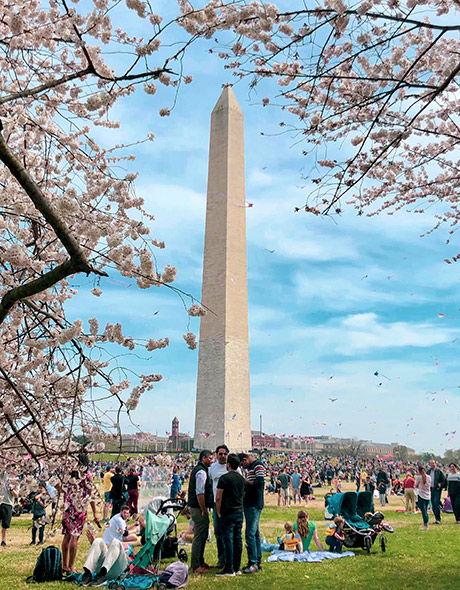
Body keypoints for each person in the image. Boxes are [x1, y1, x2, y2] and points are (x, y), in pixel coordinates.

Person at [80, 505, 140, 586]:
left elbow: (137, 557)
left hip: (119, 568)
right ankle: (88, 573)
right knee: (98, 541)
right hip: (103, 569)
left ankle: (102, 574)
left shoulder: (132, 545)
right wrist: (93, 543)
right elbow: (108, 552)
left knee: (116, 542)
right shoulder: (120, 533)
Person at [60, 469, 100, 573]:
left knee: (67, 535)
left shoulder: (69, 472)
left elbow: (64, 490)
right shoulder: (87, 475)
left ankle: (64, 565)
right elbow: (90, 495)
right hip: (79, 508)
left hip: (68, 506)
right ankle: (71, 566)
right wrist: (95, 512)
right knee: (75, 536)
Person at [215, 453, 245, 577]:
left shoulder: (224, 478)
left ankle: (228, 568)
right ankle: (237, 567)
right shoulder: (242, 479)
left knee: (228, 540)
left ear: (228, 465)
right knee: (238, 539)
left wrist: (218, 511)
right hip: (239, 511)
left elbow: (218, 497)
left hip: (227, 512)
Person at [238, 452, 266, 574]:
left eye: (242, 464)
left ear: (245, 459)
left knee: (250, 533)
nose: (243, 467)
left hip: (254, 504)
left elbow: (260, 483)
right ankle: (257, 561)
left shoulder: (257, 466)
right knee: (255, 534)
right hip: (250, 504)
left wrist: (245, 481)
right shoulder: (251, 468)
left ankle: (253, 562)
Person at [187, 450, 213, 574]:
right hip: (198, 508)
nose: (211, 461)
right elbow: (200, 492)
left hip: (198, 507)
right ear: (203, 459)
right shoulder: (201, 472)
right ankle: (196, 565)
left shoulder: (201, 470)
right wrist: (203, 509)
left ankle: (200, 561)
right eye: (210, 458)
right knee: (199, 535)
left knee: (203, 535)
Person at [209, 444, 229, 570]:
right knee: (218, 531)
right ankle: (221, 559)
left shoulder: (233, 467)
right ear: (216, 455)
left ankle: (229, 558)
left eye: (224, 453)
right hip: (217, 504)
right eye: (220, 454)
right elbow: (210, 483)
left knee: (229, 532)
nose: (222, 456)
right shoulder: (212, 468)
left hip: (229, 504)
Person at [0, 469, 19, 547]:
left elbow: (16, 494)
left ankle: (3, 540)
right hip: (0, 501)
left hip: (7, 503)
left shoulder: (16, 482)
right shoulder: (3, 476)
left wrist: (11, 489)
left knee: (5, 524)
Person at [427, 459, 446, 524]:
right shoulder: (428, 472)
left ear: (435, 464)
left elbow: (444, 479)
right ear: (429, 464)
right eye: (431, 463)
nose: (432, 464)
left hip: (437, 489)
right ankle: (436, 518)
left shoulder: (439, 471)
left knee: (436, 503)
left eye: (433, 463)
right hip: (430, 489)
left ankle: (438, 519)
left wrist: (441, 484)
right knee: (433, 504)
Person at [415, 465, 431, 530]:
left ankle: (426, 525)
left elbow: (416, 486)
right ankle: (426, 523)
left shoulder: (418, 477)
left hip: (421, 495)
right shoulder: (429, 477)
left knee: (423, 511)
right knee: (426, 510)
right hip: (427, 495)